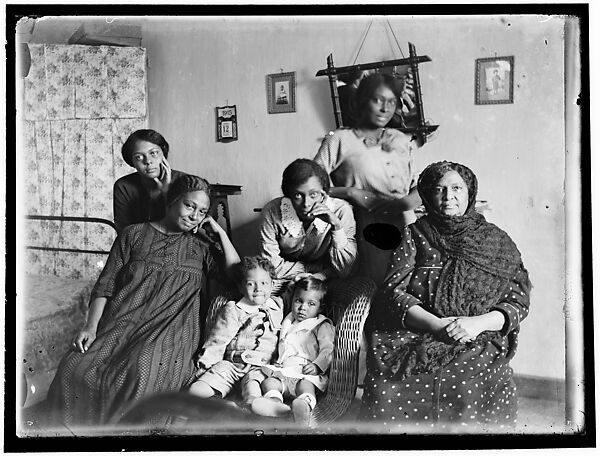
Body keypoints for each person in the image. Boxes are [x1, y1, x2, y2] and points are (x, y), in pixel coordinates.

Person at [46, 174, 240, 427]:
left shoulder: (200, 246)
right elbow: (106, 284)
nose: (194, 215)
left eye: (202, 211)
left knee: (142, 371)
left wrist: (219, 233)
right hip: (122, 321)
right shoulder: (133, 234)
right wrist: (89, 327)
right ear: (171, 201)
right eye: (189, 206)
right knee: (75, 366)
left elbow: (238, 276)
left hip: (171, 330)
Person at [359, 161, 532, 431]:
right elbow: (394, 292)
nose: (448, 196)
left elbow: (518, 301)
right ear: (427, 195)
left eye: (456, 188)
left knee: (465, 385)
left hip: (476, 337)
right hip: (415, 331)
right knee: (385, 389)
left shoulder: (497, 241)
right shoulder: (414, 235)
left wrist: (476, 324)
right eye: (439, 189)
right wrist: (437, 325)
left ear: (469, 193)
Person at [314, 72, 424, 284]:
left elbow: (418, 186)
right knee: (379, 285)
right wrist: (351, 193)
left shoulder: (400, 139)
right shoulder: (340, 139)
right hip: (365, 225)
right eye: (378, 100)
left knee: (412, 284)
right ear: (362, 100)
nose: (385, 108)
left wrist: (405, 203)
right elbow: (312, 187)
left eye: (391, 101)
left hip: (406, 221)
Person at [188, 256, 284, 407]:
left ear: (272, 285)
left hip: (259, 368)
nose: (258, 289)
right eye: (251, 284)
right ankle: (218, 405)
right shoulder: (234, 309)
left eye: (264, 283)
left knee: (253, 391)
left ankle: (249, 407)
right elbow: (218, 339)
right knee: (196, 390)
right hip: (232, 364)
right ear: (240, 287)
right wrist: (206, 366)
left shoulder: (278, 305)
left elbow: (301, 293)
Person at [251, 276, 335, 426]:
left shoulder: (320, 324)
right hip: (285, 371)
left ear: (320, 307)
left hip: (306, 371)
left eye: (311, 304)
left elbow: (328, 349)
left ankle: (303, 407)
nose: (303, 307)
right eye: (298, 301)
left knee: (305, 386)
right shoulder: (288, 321)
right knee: (269, 382)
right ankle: (276, 405)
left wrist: (317, 365)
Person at [259, 158, 357, 282]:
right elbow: (271, 265)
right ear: (288, 194)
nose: (306, 204)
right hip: (284, 280)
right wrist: (313, 269)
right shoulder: (272, 211)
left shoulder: (341, 211)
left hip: (326, 279)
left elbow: (345, 268)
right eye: (298, 195)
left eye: (313, 195)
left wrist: (336, 227)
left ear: (324, 192)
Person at [113, 129, 184, 234]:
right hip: (138, 245)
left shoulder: (184, 181)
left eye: (154, 153)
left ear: (163, 154)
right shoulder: (124, 186)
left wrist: (166, 193)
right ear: (132, 162)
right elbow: (124, 231)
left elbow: (186, 227)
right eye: (139, 157)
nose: (148, 161)